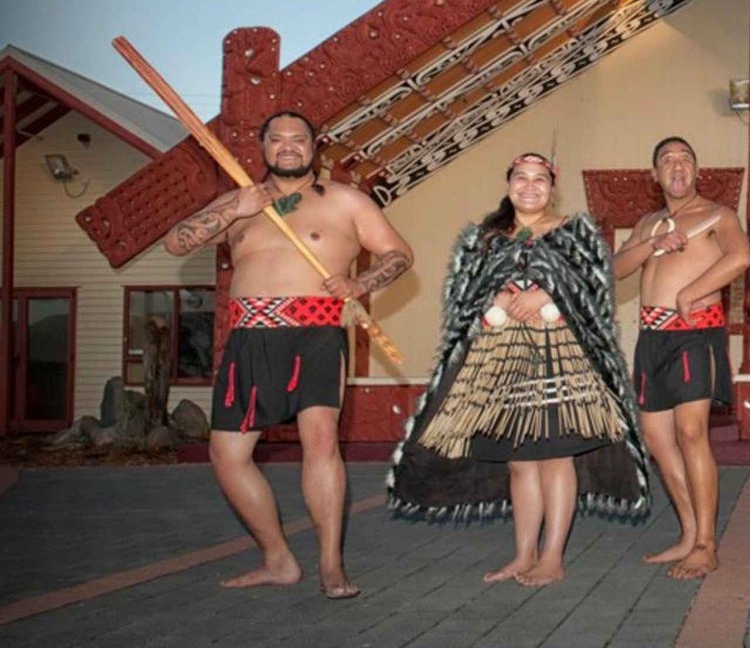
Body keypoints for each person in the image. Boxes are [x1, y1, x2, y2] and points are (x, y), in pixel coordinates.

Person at [165, 110, 414, 600]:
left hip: (316, 331)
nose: (287, 146)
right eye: (275, 138)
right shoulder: (241, 202)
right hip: (250, 335)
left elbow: (399, 254)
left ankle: (331, 565)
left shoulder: (345, 201)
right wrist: (235, 208)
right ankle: (278, 559)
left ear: (313, 147)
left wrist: (359, 283)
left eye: (297, 139)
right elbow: (177, 242)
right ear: (262, 148)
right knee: (227, 454)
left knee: (320, 442)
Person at [388, 153, 649, 587]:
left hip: (559, 352)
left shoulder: (573, 231)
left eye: (540, 180)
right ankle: (524, 554)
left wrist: (548, 298)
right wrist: (493, 301)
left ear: (552, 187)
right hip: (499, 354)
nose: (530, 186)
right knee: (520, 461)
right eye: (521, 178)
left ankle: (552, 557)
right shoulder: (484, 238)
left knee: (556, 455)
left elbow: (596, 286)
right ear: (508, 184)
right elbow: (460, 295)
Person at [614, 136, 750, 579]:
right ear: (655, 175)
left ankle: (708, 545)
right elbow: (616, 268)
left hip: (695, 333)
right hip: (651, 339)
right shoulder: (649, 223)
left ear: (696, 170)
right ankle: (690, 534)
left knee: (692, 432)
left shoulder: (717, 215)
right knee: (656, 438)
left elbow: (741, 256)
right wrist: (655, 244)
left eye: (685, 159)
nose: (677, 165)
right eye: (667, 160)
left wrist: (692, 289)